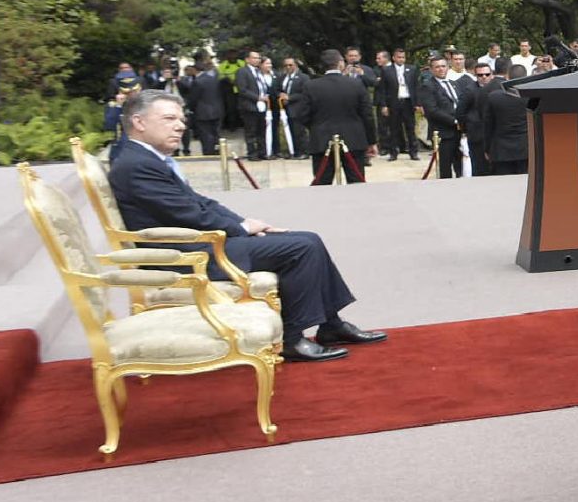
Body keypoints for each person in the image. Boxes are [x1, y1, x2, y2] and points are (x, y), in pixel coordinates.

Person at [108, 90, 384, 362]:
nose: (180, 125)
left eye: (181, 119)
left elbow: (202, 203)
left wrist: (246, 224)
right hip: (187, 256)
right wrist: (241, 228)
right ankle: (290, 339)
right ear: (139, 122)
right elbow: (189, 214)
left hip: (199, 242)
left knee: (307, 239)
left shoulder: (145, 159)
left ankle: (330, 325)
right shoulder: (136, 165)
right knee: (301, 247)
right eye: (169, 119)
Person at [294, 49, 375, 184]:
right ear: (340, 63)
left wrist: (316, 126)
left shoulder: (311, 86)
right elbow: (367, 115)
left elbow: (302, 115)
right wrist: (371, 141)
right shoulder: (356, 84)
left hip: (322, 139)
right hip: (353, 138)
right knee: (356, 183)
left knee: (323, 184)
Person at [419, 54, 471, 178]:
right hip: (443, 133)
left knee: (461, 165)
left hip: (460, 132)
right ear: (431, 70)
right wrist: (454, 121)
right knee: (445, 168)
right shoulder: (427, 86)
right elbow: (432, 110)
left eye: (443, 66)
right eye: (437, 67)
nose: (441, 69)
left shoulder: (454, 83)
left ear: (448, 67)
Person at [475, 62, 530, 174]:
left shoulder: (494, 97)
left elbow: (488, 125)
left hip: (501, 149)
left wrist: (487, 148)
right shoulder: (531, 97)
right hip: (526, 148)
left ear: (507, 77)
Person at [375, 50, 419, 160]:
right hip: (394, 102)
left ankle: (413, 152)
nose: (401, 59)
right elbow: (383, 89)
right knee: (393, 128)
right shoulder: (386, 70)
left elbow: (416, 87)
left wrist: (418, 103)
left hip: (408, 102)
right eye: (399, 57)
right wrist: (384, 105)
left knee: (410, 128)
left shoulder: (412, 69)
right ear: (394, 58)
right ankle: (393, 152)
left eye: (403, 57)